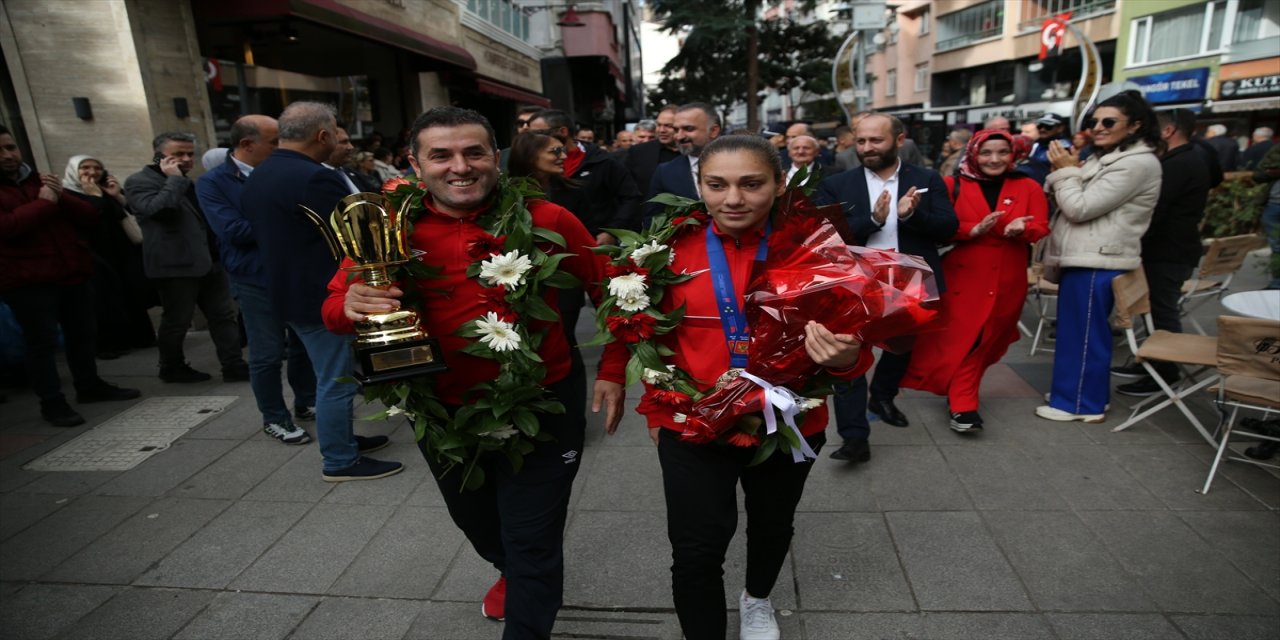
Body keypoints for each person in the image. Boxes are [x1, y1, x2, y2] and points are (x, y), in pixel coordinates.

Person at [326, 106, 625, 639]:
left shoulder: (547, 218)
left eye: (474, 152)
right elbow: (332, 309)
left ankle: (526, 595)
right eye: (441, 155)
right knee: (478, 521)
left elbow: (613, 291)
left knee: (533, 536)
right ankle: (508, 567)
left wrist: (615, 368)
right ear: (416, 164)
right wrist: (349, 303)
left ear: (497, 158)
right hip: (440, 409)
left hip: (544, 400)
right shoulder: (388, 220)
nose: (459, 166)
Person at [607, 133, 871, 640]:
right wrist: (639, 396)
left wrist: (847, 357)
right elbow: (636, 322)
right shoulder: (662, 249)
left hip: (788, 420)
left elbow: (854, 348)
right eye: (717, 184)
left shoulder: (814, 250)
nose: (733, 199)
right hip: (694, 421)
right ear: (698, 185)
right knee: (695, 547)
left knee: (772, 525)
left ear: (778, 183)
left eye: (751, 184)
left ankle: (757, 599)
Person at [240, 101, 402, 481]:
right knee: (337, 380)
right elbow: (357, 237)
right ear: (323, 135)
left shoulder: (261, 174)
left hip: (285, 293)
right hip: (321, 297)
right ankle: (340, 459)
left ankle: (342, 440)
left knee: (327, 376)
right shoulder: (315, 177)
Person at [814, 113, 958, 462]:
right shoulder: (837, 182)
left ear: (898, 139)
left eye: (875, 140)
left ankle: (883, 394)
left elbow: (948, 228)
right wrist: (874, 220)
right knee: (850, 352)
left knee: (901, 348)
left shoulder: (925, 178)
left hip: (909, 278)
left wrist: (911, 216)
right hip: (854, 280)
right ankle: (854, 436)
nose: (867, 148)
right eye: (861, 141)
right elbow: (826, 235)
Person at [901, 129, 1048, 432]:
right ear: (973, 154)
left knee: (990, 340)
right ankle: (963, 404)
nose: (994, 159)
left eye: (1002, 153)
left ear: (1013, 155)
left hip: (1008, 278)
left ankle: (958, 391)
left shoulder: (1029, 185)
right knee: (968, 339)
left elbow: (1041, 226)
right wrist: (973, 229)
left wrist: (1022, 229)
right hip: (963, 277)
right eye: (986, 152)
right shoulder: (952, 185)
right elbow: (940, 227)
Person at [0, 126, 141, 426]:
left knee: (83, 335)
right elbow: (9, 227)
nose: (8, 155)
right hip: (27, 279)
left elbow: (90, 217)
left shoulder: (40, 180)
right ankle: (52, 402)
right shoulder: (36, 192)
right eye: (1, 151)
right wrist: (45, 202)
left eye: (11, 147)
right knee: (41, 344)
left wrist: (60, 195)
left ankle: (89, 386)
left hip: (70, 271)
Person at [1036, 90, 1162, 423]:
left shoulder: (1136, 163)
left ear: (1135, 125)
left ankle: (1080, 404)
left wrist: (1065, 171)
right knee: (1077, 332)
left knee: (1085, 335)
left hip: (1098, 259)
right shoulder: (1108, 156)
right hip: (1087, 256)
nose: (1099, 127)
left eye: (1109, 121)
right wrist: (1067, 171)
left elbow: (1079, 207)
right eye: (1095, 121)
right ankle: (1081, 393)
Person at [196, 114, 317, 446]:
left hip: (293, 272)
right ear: (247, 144)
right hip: (254, 278)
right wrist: (285, 222)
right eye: (274, 141)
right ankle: (274, 417)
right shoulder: (214, 182)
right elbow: (232, 231)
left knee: (303, 345)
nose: (282, 147)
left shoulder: (279, 172)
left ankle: (306, 400)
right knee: (266, 352)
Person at [125, 132, 249, 384]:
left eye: (190, 154)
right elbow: (157, 210)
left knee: (223, 316)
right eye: (178, 154)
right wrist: (174, 180)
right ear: (160, 156)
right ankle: (172, 366)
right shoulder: (139, 181)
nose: (186, 159)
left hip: (210, 261)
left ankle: (233, 364)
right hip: (176, 266)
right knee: (177, 320)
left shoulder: (189, 181)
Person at [1109, 108, 1213, 397]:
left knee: (1162, 312)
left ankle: (1164, 373)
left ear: (1167, 132)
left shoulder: (1178, 164)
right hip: (1173, 249)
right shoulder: (1191, 157)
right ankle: (1153, 364)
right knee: (1156, 310)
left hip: (1168, 251)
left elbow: (1156, 212)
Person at [61, 154, 156, 356]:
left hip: (120, 250)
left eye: (97, 168)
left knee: (130, 292)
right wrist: (94, 198)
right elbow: (88, 219)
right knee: (103, 298)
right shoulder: (67, 195)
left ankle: (139, 337)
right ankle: (110, 343)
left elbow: (127, 213)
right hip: (93, 253)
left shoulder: (105, 190)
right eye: (85, 168)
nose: (92, 173)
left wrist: (116, 196)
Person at [646, 102, 722, 220]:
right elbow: (652, 220)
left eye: (688, 129)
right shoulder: (665, 172)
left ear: (713, 131)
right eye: (676, 130)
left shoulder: (741, 164)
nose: (679, 136)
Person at [619, 106, 681, 202]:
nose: (661, 130)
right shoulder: (638, 152)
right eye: (659, 125)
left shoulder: (697, 152)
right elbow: (625, 189)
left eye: (668, 126)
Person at [1022, 113, 1072, 185]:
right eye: (1040, 126)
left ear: (1060, 128)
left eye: (1048, 126)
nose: (1042, 129)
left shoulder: (1063, 147)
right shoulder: (1037, 145)